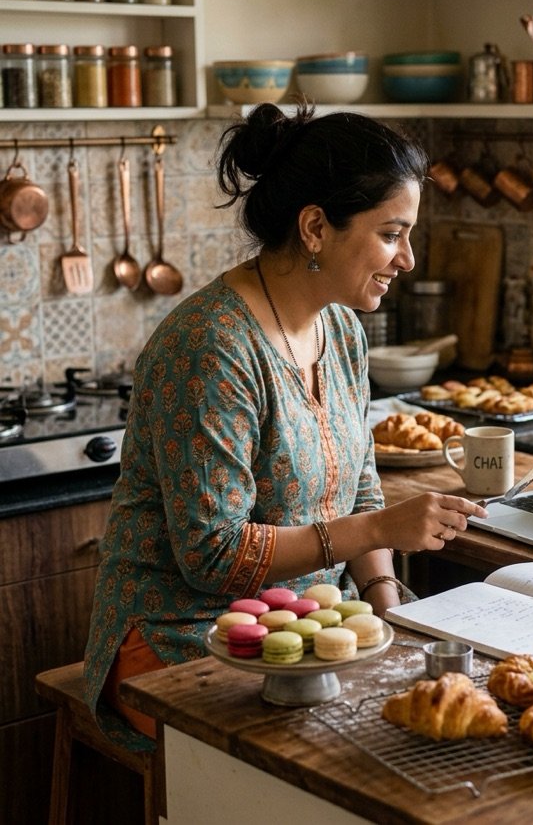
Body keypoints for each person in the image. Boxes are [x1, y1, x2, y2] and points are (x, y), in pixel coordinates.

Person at [83, 103, 486, 750]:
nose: (408, 259)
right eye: (392, 234)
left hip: (312, 624)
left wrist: (387, 598)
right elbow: (212, 557)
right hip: (182, 633)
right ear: (316, 227)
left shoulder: (343, 330)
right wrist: (379, 530)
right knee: (328, 766)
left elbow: (360, 490)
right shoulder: (213, 346)